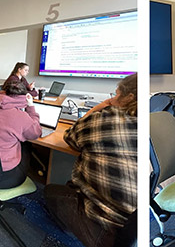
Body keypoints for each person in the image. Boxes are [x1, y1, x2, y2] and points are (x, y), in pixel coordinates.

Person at [44, 74, 138, 247]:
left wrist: (102, 106)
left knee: (49, 191)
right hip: (137, 224)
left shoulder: (104, 119)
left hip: (105, 227)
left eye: (116, 94)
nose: (112, 99)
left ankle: (67, 235)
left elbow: (71, 136)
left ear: (129, 97)